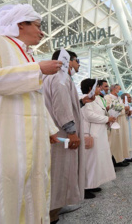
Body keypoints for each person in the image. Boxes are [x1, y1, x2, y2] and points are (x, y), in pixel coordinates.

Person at [0, 4, 61, 223]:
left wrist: (49, 129)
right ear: (20, 24)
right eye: (37, 25)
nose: (41, 32)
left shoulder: (25, 55)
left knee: (29, 190)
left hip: (30, 141)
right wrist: (37, 69)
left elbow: (33, 97)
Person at [43, 50, 87, 223]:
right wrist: (71, 131)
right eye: (77, 61)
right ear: (68, 61)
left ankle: (54, 207)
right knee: (61, 172)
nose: (78, 64)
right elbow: (61, 105)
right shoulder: (60, 78)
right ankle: (52, 213)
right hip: (63, 134)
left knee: (56, 172)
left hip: (55, 131)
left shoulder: (49, 77)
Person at [80, 78, 116, 195]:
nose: (99, 88)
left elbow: (101, 113)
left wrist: (109, 118)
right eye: (97, 87)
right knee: (89, 161)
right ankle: (85, 187)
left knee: (97, 160)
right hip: (91, 134)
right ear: (90, 88)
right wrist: (107, 119)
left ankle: (93, 183)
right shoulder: (84, 98)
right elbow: (89, 115)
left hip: (100, 132)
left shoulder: (98, 99)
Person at [105, 84, 131, 167]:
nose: (120, 91)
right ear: (114, 89)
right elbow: (109, 109)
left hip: (122, 121)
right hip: (115, 121)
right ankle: (115, 160)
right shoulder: (108, 97)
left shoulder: (119, 98)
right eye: (119, 89)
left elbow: (122, 109)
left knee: (121, 140)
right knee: (115, 141)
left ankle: (121, 158)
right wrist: (124, 109)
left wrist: (127, 112)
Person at [121, 93, 132, 162]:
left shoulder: (130, 105)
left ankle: (129, 157)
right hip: (124, 125)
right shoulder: (121, 105)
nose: (131, 98)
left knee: (130, 140)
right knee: (125, 140)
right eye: (129, 97)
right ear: (125, 98)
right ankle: (124, 157)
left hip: (130, 124)